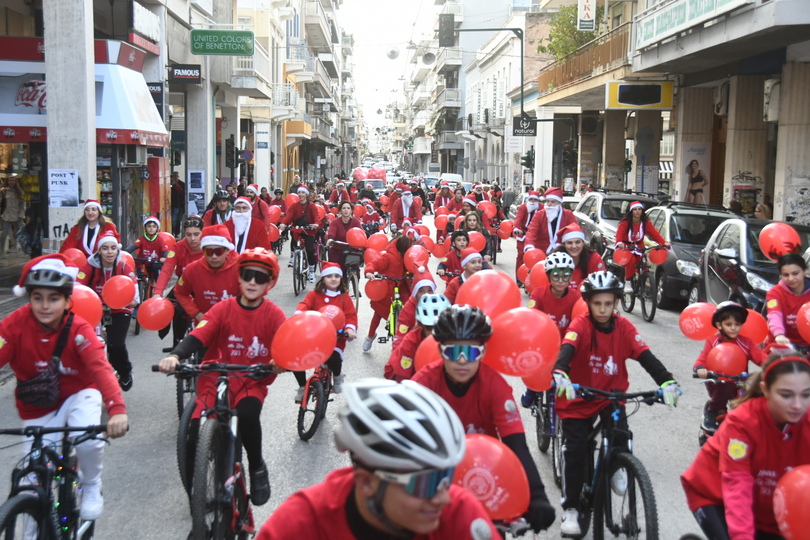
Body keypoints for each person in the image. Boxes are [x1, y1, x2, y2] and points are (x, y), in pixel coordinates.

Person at [255, 378, 499, 539]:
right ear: (366, 482)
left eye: (446, 477)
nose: (444, 497)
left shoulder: (459, 512)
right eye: (425, 484)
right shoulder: (300, 525)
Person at [2, 254, 128, 524]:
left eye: (53, 298)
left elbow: (101, 369)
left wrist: (117, 410)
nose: (45, 306)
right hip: (37, 405)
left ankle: (92, 484)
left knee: (89, 439)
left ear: (68, 300)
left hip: (80, 394)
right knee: (32, 481)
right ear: (28, 297)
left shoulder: (80, 329)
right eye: (37, 298)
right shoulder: (12, 325)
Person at [552, 270, 680, 536]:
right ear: (588, 303)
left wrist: (667, 381)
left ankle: (617, 465)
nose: (602, 309)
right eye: (597, 303)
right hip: (578, 396)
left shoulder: (624, 327)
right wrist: (560, 372)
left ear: (616, 303)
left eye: (608, 304)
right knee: (575, 448)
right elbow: (568, 348)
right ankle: (572, 509)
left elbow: (646, 356)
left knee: (621, 433)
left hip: (610, 396)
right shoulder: (580, 324)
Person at [412, 305, 556, 533]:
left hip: (483, 474)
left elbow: (516, 445)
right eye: (453, 351)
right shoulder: (424, 382)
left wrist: (537, 496)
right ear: (440, 352)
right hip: (436, 477)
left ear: (483, 353)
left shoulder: (495, 386)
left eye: (471, 353)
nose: (462, 361)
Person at [159, 248, 285, 506]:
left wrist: (280, 363)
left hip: (251, 379)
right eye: (248, 275)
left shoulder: (273, 315)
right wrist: (176, 355)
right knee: (194, 431)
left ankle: (257, 466)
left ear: (270, 283)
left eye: (260, 278)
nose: (252, 282)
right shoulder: (223, 309)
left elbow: (286, 345)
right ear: (238, 278)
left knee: (248, 415)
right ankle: (197, 492)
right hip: (215, 377)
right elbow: (200, 334)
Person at [681, 351, 810, 540]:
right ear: (765, 390)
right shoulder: (742, 421)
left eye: (806, 395)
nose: (798, 405)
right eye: (786, 395)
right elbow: (737, 487)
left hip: (767, 504)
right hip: (715, 495)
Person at [76, 231, 138, 391]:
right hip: (94, 309)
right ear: (99, 251)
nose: (109, 252)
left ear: (117, 250)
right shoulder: (89, 266)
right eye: (105, 248)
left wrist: (131, 301)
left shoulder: (124, 266)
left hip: (120, 309)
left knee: (116, 344)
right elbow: (78, 285)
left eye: (113, 248)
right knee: (86, 343)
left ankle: (125, 372)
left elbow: (134, 293)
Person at [693, 302, 766, 433]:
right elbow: (703, 358)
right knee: (726, 386)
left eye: (737, 325)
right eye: (729, 324)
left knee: (749, 401)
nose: (733, 328)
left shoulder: (746, 343)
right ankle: (712, 412)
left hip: (739, 381)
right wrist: (700, 368)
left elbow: (760, 356)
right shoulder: (713, 341)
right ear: (719, 325)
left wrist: (773, 364)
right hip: (717, 382)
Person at [520, 252, 582, 407]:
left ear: (571, 277)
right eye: (556, 276)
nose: (561, 280)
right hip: (544, 343)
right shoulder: (539, 294)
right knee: (536, 364)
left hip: (566, 344)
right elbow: (531, 315)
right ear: (548, 276)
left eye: (565, 275)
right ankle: (531, 389)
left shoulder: (575, 297)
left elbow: (582, 320)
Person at [292, 261, 358, 400]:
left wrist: (350, 329)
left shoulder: (344, 298)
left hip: (336, 337)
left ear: (341, 279)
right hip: (314, 335)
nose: (333, 279)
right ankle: (303, 386)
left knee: (333, 357)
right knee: (295, 355)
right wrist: (299, 315)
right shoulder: (314, 295)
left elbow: (350, 316)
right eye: (329, 276)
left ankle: (338, 376)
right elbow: (305, 305)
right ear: (323, 279)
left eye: (336, 276)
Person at [153, 215, 205, 346]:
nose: (192, 238)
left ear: (203, 233)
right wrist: (157, 293)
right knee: (173, 308)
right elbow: (167, 269)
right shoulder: (178, 247)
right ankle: (177, 342)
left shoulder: (209, 247)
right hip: (183, 285)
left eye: (196, 234)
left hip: (204, 286)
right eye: (188, 234)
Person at [174, 224, 241, 324]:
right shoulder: (192, 269)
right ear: (203, 251)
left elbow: (251, 298)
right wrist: (197, 314)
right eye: (209, 251)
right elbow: (180, 292)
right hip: (203, 327)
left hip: (233, 326)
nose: (214, 256)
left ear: (227, 250)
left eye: (218, 251)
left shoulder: (241, 269)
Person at [362, 235, 413, 352]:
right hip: (385, 291)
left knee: (405, 312)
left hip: (400, 288)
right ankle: (370, 336)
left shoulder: (407, 258)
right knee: (378, 314)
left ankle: (402, 338)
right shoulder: (389, 257)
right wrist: (369, 272)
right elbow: (374, 263)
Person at [385, 294, 450, 382]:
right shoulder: (411, 341)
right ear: (421, 325)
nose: (434, 333)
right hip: (403, 375)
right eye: (429, 328)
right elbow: (403, 379)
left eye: (439, 327)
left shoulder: (453, 340)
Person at [615, 201, 669, 290]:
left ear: (642, 211)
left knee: (644, 263)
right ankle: (628, 282)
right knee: (631, 260)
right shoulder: (625, 222)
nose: (637, 211)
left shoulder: (645, 222)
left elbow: (654, 234)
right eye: (635, 209)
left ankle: (643, 282)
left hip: (639, 246)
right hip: (626, 246)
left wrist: (663, 243)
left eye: (639, 209)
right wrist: (619, 243)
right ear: (631, 211)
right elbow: (619, 233)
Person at [766, 253, 810, 354]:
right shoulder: (774, 293)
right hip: (785, 344)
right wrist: (779, 334)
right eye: (785, 275)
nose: (791, 279)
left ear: (804, 271)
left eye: (795, 273)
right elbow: (774, 314)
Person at [279, 185, 321, 283]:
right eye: (299, 193)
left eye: (303, 193)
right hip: (297, 230)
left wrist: (316, 224)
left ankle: (311, 271)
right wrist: (283, 224)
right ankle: (293, 256)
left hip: (309, 230)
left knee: (310, 249)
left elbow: (317, 216)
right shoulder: (294, 206)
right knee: (294, 241)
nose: (301, 195)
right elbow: (288, 216)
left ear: (306, 194)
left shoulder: (312, 206)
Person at [525, 186, 577, 255]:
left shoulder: (568, 215)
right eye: (547, 201)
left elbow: (574, 231)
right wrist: (530, 247)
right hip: (541, 252)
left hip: (562, 253)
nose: (549, 204)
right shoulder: (539, 215)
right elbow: (531, 232)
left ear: (559, 203)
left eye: (553, 202)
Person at [392, 270, 436, 349]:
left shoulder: (438, 305)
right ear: (415, 293)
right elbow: (400, 336)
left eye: (430, 291)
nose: (426, 295)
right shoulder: (408, 309)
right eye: (421, 291)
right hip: (414, 349)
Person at [555, 223, 605, 291]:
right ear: (564, 245)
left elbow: (602, 283)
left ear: (583, 243)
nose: (574, 246)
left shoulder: (593, 258)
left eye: (577, 242)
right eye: (570, 243)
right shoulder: (555, 258)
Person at [124, 216, 168, 284]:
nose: (151, 228)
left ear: (157, 228)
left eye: (154, 226)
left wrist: (164, 257)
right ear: (145, 228)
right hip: (142, 262)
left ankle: (159, 289)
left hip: (155, 262)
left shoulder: (160, 240)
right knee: (139, 276)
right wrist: (124, 253)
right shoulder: (141, 239)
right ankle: (140, 289)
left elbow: (165, 250)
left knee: (157, 270)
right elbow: (133, 246)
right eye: (149, 226)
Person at [513, 191, 542, 285]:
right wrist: (516, 228)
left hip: (536, 236)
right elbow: (518, 218)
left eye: (535, 200)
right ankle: (518, 278)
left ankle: (536, 277)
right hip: (523, 233)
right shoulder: (523, 207)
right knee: (521, 255)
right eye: (531, 199)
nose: (533, 202)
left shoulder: (542, 208)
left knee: (537, 256)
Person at [326, 201, 362, 270]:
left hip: (351, 250)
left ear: (351, 210)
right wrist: (330, 238)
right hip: (337, 250)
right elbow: (332, 231)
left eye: (348, 208)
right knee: (335, 269)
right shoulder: (335, 222)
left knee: (355, 269)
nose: (346, 210)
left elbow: (360, 232)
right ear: (340, 210)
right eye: (344, 208)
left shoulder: (355, 221)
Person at [1, 174, 25, 255]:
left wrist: (21, 214)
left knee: (22, 232)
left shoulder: (19, 192)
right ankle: (1, 251)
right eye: (10, 180)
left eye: (13, 180)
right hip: (6, 215)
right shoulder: (3, 191)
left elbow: (22, 204)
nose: (11, 182)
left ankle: (22, 248)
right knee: (4, 234)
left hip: (17, 215)